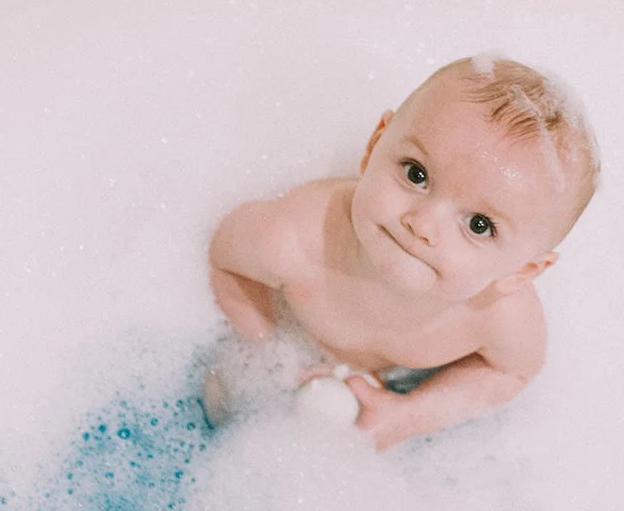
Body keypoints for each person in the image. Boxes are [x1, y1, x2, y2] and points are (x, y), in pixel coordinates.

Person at [206, 55, 598, 451]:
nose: (423, 225)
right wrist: (264, 346)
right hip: (289, 357)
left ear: (522, 271)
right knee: (221, 411)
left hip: (380, 395)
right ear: (375, 145)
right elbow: (227, 257)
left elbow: (512, 373)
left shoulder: (499, 317)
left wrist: (409, 415)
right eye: (417, 174)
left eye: (479, 225)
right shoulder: (298, 237)